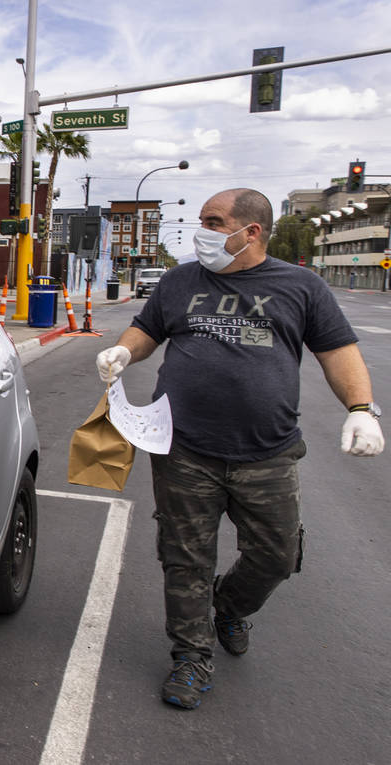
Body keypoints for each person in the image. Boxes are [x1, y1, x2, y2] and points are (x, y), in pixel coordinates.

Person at [94, 188, 384, 710]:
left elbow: (338, 352)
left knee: (277, 555)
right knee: (185, 558)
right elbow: (146, 330)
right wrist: (124, 350)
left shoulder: (301, 286)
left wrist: (361, 409)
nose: (201, 230)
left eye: (213, 220)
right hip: (183, 448)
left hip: (268, 453)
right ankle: (191, 657)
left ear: (250, 232)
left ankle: (227, 607)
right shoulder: (181, 280)